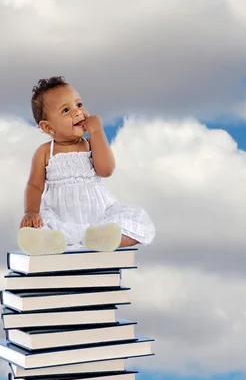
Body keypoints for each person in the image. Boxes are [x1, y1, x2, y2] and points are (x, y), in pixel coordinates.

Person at [18, 76, 155, 256]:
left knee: (137, 219)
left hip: (99, 215)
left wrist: (97, 132)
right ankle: (49, 241)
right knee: (42, 225)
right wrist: (31, 212)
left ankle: (104, 239)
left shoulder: (91, 144)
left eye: (79, 105)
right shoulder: (45, 152)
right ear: (48, 128)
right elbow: (34, 186)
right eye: (66, 110)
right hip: (61, 216)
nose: (77, 112)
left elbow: (106, 170)